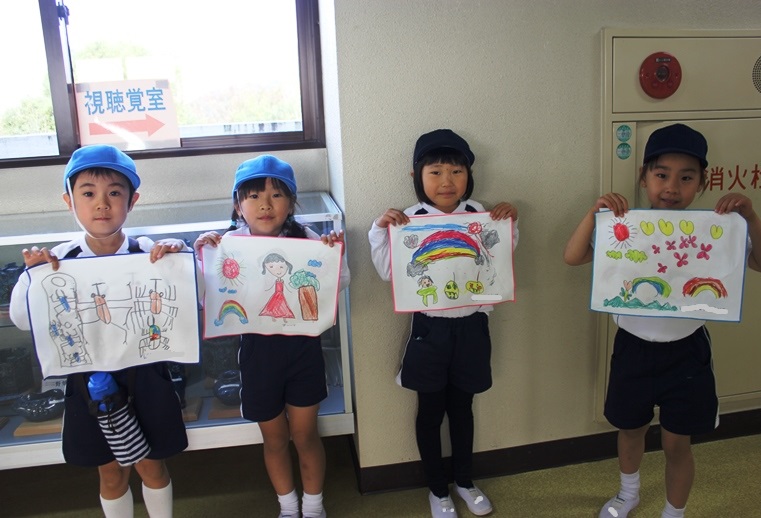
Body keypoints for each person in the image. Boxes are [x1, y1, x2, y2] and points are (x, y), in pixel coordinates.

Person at [563, 123, 761, 518]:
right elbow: (573, 256)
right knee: (630, 429)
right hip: (633, 348)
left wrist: (750, 216)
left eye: (686, 177)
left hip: (686, 353)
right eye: (661, 175)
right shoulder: (623, 228)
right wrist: (594, 215)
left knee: (678, 442)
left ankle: (674, 512)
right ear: (644, 177)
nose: (672, 187)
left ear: (702, 183)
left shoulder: (715, 231)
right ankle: (628, 494)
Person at [9, 144, 190, 518]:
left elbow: (192, 297)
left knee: (151, 464)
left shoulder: (149, 251)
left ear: (132, 201)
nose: (102, 204)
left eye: (114, 193)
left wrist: (180, 255)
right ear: (69, 201)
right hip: (87, 378)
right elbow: (22, 319)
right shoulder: (57, 260)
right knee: (110, 471)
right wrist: (32, 277)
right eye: (88, 193)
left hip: (145, 373)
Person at [368, 129, 518, 518]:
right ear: (417, 176)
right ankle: (438, 490)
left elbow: (499, 263)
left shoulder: (480, 214)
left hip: (472, 327)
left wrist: (507, 224)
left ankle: (464, 481)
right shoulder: (409, 220)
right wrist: (380, 230)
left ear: (469, 175)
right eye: (435, 172)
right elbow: (389, 272)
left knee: (463, 408)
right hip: (429, 329)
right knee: (430, 410)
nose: (446, 181)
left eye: (456, 171)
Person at [194, 155, 349, 518]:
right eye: (253, 196)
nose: (265, 205)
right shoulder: (227, 243)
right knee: (275, 438)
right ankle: (288, 507)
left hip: (303, 350)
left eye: (277, 195)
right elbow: (207, 296)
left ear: (291, 203)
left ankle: (314, 507)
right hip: (258, 353)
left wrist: (333, 256)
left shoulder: (306, 238)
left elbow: (338, 285)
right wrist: (201, 256)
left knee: (306, 435)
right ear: (238, 205)